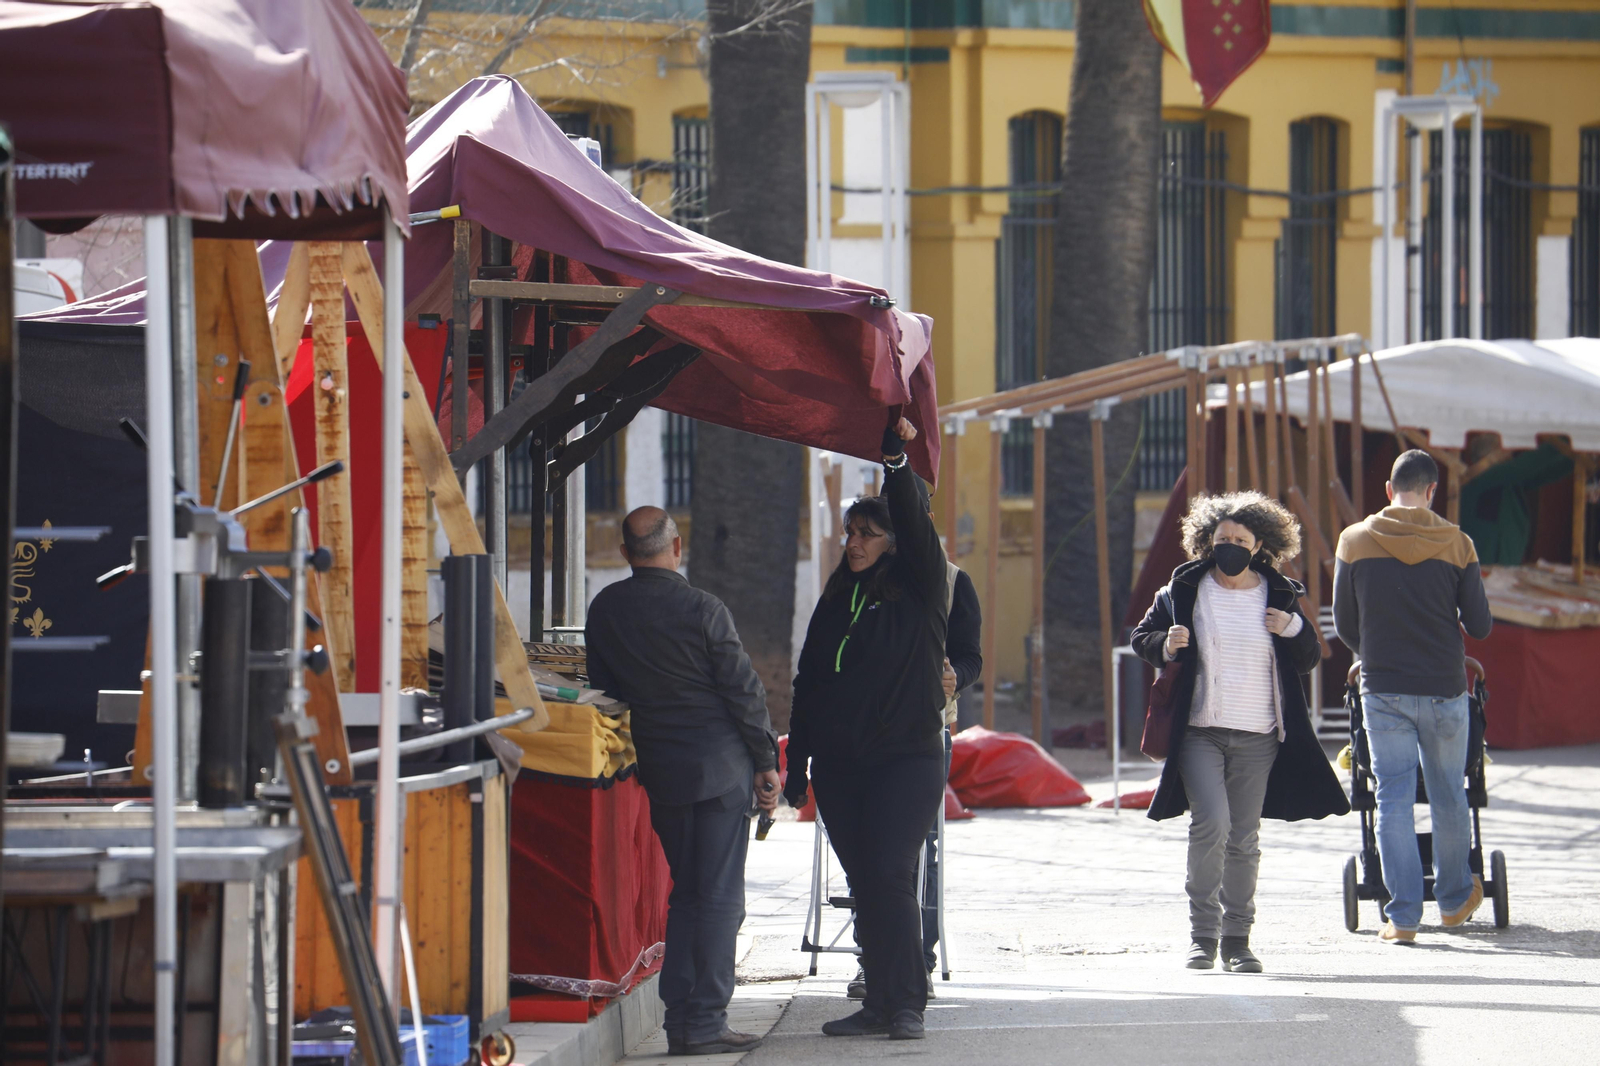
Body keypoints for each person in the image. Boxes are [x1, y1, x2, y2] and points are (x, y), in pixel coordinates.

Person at [585, 507, 780, 1057]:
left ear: (626, 554)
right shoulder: (703, 608)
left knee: (687, 895)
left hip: (663, 772)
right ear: (677, 547)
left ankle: (683, 1021)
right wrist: (766, 759)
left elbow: (606, 686)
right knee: (718, 899)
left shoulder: (606, 609)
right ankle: (707, 1020)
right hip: (720, 770)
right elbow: (743, 691)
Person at [1132, 491, 1349, 973]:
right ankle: (1202, 936)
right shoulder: (1183, 590)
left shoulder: (1281, 595)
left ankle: (1237, 940)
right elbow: (1140, 637)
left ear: (1260, 545)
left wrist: (1293, 628)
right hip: (1199, 731)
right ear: (1206, 541)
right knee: (1210, 823)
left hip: (1260, 734)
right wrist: (1164, 644)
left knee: (1243, 838)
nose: (1229, 545)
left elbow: (1311, 657)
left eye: (1240, 539)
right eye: (1221, 537)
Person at [786, 418, 947, 1041]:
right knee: (864, 883)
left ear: (892, 541)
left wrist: (895, 462)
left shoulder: (918, 585)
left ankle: (908, 1001)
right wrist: (798, 762)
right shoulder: (837, 595)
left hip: (904, 759)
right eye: (851, 531)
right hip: (841, 764)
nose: (854, 541)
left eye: (868, 533)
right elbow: (809, 683)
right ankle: (877, 998)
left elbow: (914, 523)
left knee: (889, 873)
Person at [1333, 449, 1494, 944]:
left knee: (1392, 799)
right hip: (1446, 689)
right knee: (1449, 795)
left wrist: (1375, 652)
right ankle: (1450, 903)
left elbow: (1343, 623)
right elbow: (1481, 626)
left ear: (1388, 490)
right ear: (1431, 492)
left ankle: (1402, 918)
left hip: (1382, 690)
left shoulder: (1355, 540)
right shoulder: (1457, 543)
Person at [846, 541, 981, 1002]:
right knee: (865, 848)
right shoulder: (857, 580)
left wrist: (955, 677)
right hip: (860, 736)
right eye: (853, 532)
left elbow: (969, 656)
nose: (856, 542)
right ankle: (873, 960)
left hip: (924, 733)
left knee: (917, 848)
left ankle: (918, 960)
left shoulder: (952, 581)